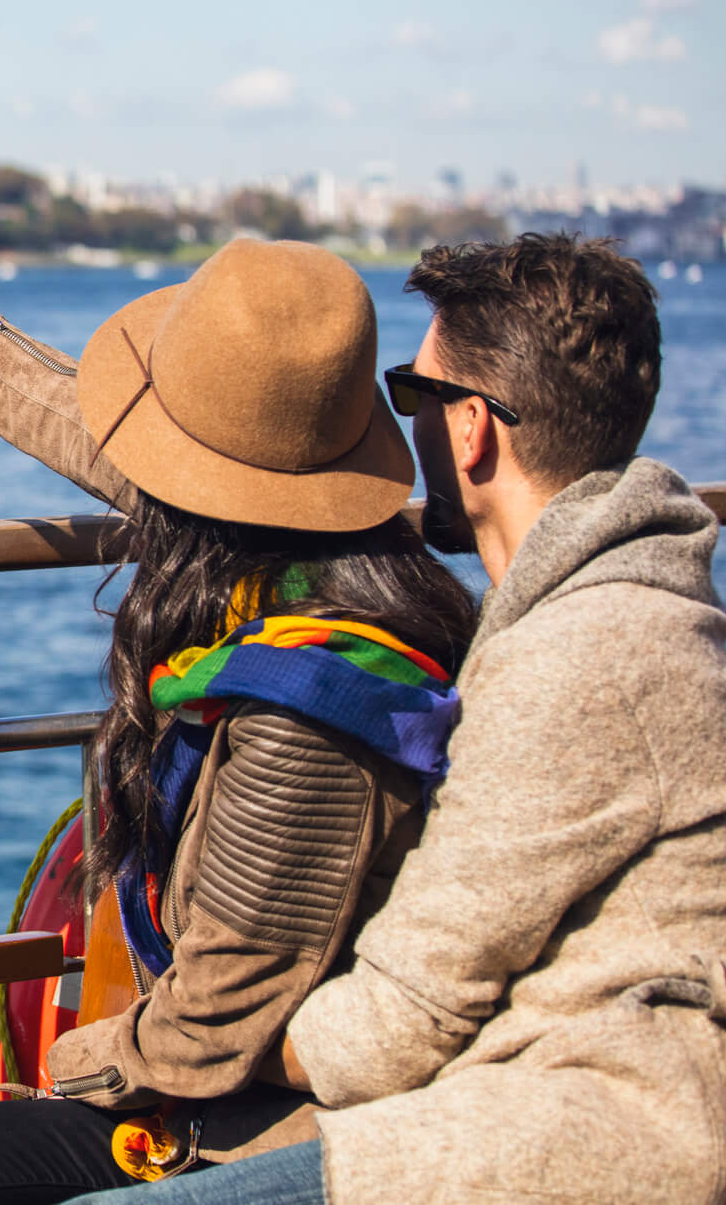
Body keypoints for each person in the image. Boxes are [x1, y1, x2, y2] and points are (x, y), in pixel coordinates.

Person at [0, 238, 478, 1203]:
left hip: (262, 1124)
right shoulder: (307, 556)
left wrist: (71, 1067)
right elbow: (114, 445)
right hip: (215, 1082)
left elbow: (214, 1025)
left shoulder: (316, 708)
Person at [65, 234, 726, 1204]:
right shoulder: (620, 597)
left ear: (469, 432)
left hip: (592, 1129)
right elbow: (202, 452)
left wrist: (168, 1043)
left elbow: (389, 1032)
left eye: (410, 395)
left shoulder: (584, 660)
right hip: (543, 1088)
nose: (395, 431)